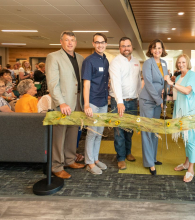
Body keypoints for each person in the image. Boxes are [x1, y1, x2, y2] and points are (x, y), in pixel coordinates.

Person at [46, 31, 85, 179]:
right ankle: (56, 166)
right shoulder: (53, 57)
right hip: (62, 104)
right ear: (61, 41)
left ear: (76, 42)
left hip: (77, 103)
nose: (70, 43)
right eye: (67, 40)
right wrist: (61, 102)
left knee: (72, 133)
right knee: (59, 136)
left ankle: (69, 160)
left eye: (73, 40)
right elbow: (53, 83)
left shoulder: (80, 58)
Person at [164, 54, 195, 182]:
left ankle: (191, 168)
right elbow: (176, 96)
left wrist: (171, 83)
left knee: (191, 140)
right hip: (180, 112)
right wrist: (163, 97)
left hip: (190, 112)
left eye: (183, 62)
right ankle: (186, 163)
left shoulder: (192, 75)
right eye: (179, 62)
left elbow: (187, 91)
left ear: (188, 63)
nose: (181, 64)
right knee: (185, 139)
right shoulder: (179, 77)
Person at [109, 37, 141, 170]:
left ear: (132, 47)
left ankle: (128, 152)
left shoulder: (136, 61)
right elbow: (115, 83)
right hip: (118, 103)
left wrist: (138, 97)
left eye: (128, 45)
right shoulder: (115, 62)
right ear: (119, 48)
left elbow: (138, 80)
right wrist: (120, 102)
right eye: (123, 46)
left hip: (133, 101)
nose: (126, 48)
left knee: (129, 130)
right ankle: (121, 157)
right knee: (119, 131)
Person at [139, 39, 168, 175]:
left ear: (162, 50)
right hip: (147, 101)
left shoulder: (164, 63)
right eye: (155, 48)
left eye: (159, 48)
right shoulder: (147, 63)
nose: (157, 50)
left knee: (155, 131)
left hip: (159, 101)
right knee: (147, 131)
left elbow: (165, 81)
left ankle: (153, 158)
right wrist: (159, 100)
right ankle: (149, 163)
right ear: (151, 50)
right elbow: (149, 83)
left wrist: (165, 95)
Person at [82, 33, 109, 175]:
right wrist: (86, 104)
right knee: (92, 133)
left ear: (106, 43)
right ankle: (89, 163)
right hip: (92, 102)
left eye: (102, 42)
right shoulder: (89, 61)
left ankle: (95, 158)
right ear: (93, 44)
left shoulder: (105, 60)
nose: (100, 45)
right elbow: (86, 84)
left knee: (99, 133)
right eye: (97, 42)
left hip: (103, 101)